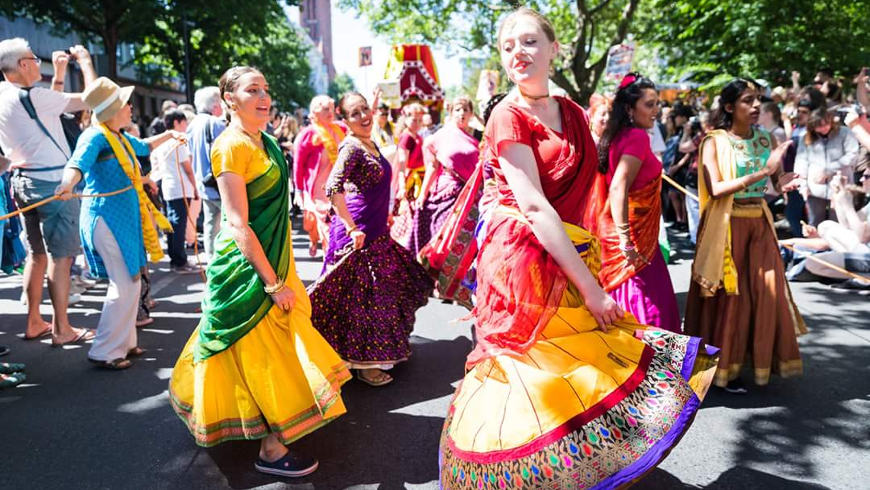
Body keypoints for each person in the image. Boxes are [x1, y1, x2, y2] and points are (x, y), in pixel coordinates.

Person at [439, 9, 718, 488]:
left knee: (574, 368)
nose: (517, 54)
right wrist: (593, 288)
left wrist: (600, 255)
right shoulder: (507, 116)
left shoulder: (573, 113)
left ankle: (572, 471)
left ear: (554, 49)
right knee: (530, 379)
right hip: (523, 263)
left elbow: (590, 194)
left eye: (528, 42)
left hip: (570, 251)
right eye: (507, 47)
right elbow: (535, 207)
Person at [169, 66, 349, 477]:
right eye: (253, 90)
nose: (264, 96)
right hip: (248, 269)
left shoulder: (265, 140)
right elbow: (236, 223)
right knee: (265, 347)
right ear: (229, 99)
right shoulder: (230, 146)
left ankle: (268, 430)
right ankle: (271, 448)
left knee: (268, 349)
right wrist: (272, 283)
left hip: (275, 258)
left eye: (266, 88)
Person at [685, 78, 806, 393]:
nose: (755, 107)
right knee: (732, 299)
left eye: (758, 100)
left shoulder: (766, 139)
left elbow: (773, 185)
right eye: (747, 101)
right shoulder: (714, 141)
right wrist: (762, 174)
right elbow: (716, 188)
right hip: (727, 226)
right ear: (729, 107)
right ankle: (724, 369)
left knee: (765, 293)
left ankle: (757, 359)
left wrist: (784, 183)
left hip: (759, 223)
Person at [308, 91, 432, 387]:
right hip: (357, 233)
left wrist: (387, 211)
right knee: (360, 298)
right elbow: (332, 187)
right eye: (355, 113)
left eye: (366, 109)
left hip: (376, 228)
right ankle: (362, 364)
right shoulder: (351, 146)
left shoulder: (370, 141)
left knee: (381, 292)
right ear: (345, 119)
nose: (364, 116)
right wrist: (352, 228)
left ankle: (368, 355)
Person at [55, 77, 180, 369]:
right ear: (112, 109)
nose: (131, 108)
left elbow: (144, 147)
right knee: (124, 283)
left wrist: (171, 136)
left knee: (132, 281)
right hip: (105, 217)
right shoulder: (94, 136)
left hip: (122, 217)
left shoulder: (120, 136)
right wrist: (66, 183)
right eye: (125, 104)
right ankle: (105, 351)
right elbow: (77, 163)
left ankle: (125, 343)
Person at [0, 38, 96, 344]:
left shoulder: (5, 95)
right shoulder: (34, 97)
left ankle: (34, 322)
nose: (37, 62)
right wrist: (84, 61)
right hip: (53, 184)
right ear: (23, 65)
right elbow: (94, 98)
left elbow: (45, 114)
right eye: (33, 58)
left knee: (37, 255)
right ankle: (62, 328)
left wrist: (57, 73)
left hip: (22, 181)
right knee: (61, 257)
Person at [595, 73, 681, 332]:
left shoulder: (618, 136)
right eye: (649, 104)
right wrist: (626, 240)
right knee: (650, 310)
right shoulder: (637, 138)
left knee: (630, 304)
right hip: (634, 243)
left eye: (657, 104)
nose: (656, 110)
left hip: (630, 238)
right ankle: (652, 371)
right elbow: (618, 186)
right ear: (630, 108)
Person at [408, 96, 480, 256]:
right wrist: (422, 194)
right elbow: (433, 167)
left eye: (466, 109)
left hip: (470, 195)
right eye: (457, 109)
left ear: (471, 114)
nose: (461, 113)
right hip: (446, 192)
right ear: (451, 112)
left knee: (465, 240)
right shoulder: (441, 136)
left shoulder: (477, 140)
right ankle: (432, 270)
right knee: (441, 235)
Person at [293, 95, 346, 256]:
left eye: (331, 108)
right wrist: (299, 189)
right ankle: (330, 255)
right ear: (315, 112)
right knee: (325, 220)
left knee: (339, 219)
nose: (330, 112)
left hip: (340, 185)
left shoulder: (341, 129)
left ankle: (332, 253)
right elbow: (298, 164)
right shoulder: (308, 134)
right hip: (318, 188)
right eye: (325, 109)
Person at [152, 110, 201, 274]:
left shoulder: (161, 144)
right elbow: (188, 169)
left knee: (174, 223)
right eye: (184, 122)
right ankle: (179, 260)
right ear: (176, 123)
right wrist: (195, 187)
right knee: (178, 224)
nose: (186, 126)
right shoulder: (177, 141)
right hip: (180, 187)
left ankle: (176, 258)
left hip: (168, 187)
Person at [794, 108, 859, 225]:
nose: (824, 128)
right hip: (815, 189)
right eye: (819, 126)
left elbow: (852, 155)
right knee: (815, 223)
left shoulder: (844, 133)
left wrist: (829, 170)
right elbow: (801, 162)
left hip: (840, 187)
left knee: (840, 223)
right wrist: (802, 185)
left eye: (826, 124)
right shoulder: (806, 138)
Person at [187, 86, 226, 261]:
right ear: (216, 105)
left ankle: (211, 259)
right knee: (229, 223)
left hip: (203, 182)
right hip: (219, 183)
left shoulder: (192, 124)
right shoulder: (216, 123)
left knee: (210, 223)